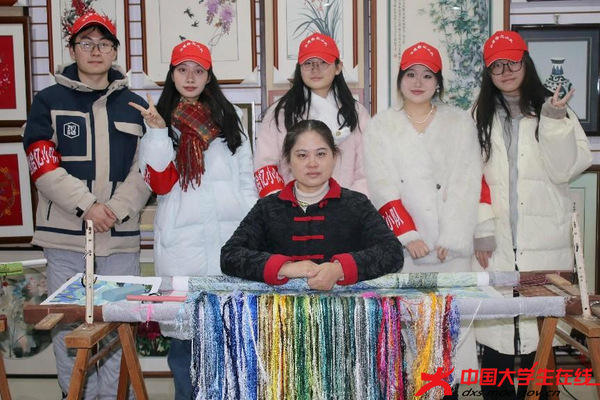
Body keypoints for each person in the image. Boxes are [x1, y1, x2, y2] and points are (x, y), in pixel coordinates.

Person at [22, 12, 150, 399]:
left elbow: (147, 168)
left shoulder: (136, 105)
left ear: (115, 51)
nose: (95, 51)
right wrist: (87, 205)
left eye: (104, 44)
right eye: (86, 43)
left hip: (119, 237)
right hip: (64, 237)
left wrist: (115, 209)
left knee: (119, 324)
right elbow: (42, 164)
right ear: (72, 49)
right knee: (68, 328)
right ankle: (75, 394)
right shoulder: (47, 101)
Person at [131, 40, 257, 400]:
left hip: (229, 244)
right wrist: (158, 132)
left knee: (232, 346)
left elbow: (246, 181)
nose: (190, 77)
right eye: (182, 69)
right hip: (181, 248)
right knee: (184, 351)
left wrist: (252, 234)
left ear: (208, 75)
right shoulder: (159, 120)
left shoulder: (229, 119)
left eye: (198, 70)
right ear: (172, 75)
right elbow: (159, 183)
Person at [472, 31, 592, 400]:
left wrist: (554, 120)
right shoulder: (478, 115)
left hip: (543, 239)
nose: (506, 71)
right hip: (497, 240)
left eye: (513, 62)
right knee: (496, 337)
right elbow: (469, 176)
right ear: (488, 72)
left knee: (539, 338)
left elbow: (564, 169)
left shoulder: (554, 108)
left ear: (526, 63)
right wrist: (482, 226)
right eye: (497, 65)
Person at [362, 42, 483, 399]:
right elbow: (381, 186)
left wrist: (454, 236)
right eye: (411, 74)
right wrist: (407, 234)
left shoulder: (459, 122)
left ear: (438, 82)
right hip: (406, 253)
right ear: (400, 79)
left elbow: (467, 181)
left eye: (427, 75)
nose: (418, 82)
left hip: (451, 252)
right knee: (410, 342)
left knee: (453, 336)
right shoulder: (381, 126)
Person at [221, 119, 403, 289]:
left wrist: (339, 269)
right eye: (302, 155)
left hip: (344, 308)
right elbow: (230, 255)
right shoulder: (268, 208)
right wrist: (284, 268)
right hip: (281, 310)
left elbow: (392, 251)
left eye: (321, 154)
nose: (312, 163)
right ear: (288, 160)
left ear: (334, 157)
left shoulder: (357, 204)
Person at [253, 32, 370, 198]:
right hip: (293, 207)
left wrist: (347, 206)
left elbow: (366, 171)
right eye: (308, 63)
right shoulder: (280, 113)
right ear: (299, 69)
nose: (315, 69)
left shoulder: (357, 113)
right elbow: (265, 167)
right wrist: (283, 206)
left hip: (346, 208)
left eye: (323, 62)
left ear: (338, 67)